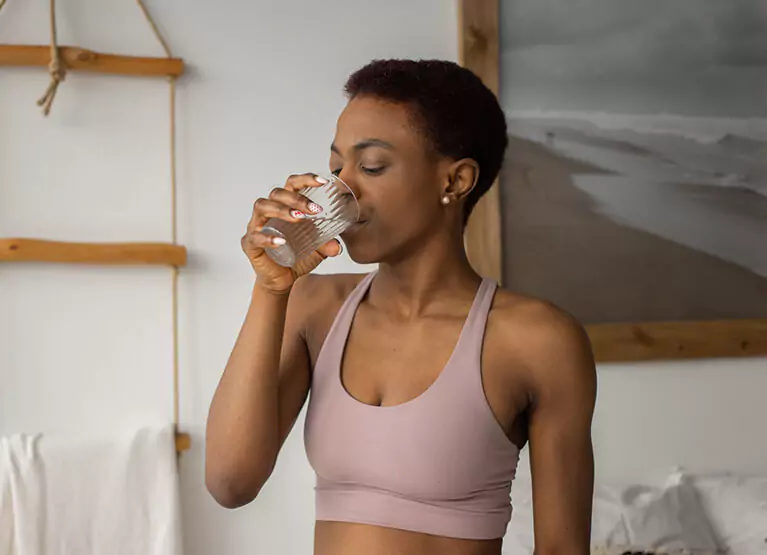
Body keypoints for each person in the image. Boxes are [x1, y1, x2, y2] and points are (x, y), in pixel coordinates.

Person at [205, 59, 597, 555]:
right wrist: (270, 290)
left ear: (454, 183)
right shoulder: (315, 307)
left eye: (370, 167)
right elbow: (229, 483)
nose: (343, 189)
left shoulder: (537, 340)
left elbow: (562, 549)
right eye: (335, 169)